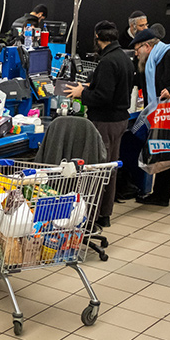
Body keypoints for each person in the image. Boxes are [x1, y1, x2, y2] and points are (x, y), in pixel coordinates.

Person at [64, 21, 134, 227]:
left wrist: (82, 93)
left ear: (97, 37)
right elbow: (115, 87)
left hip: (104, 122)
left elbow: (103, 96)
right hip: (120, 120)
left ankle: (90, 218)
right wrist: (89, 85)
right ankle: (104, 214)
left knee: (95, 169)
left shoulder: (107, 62)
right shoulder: (124, 57)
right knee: (109, 168)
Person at [129, 29, 170, 207]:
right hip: (164, 119)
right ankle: (160, 196)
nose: (136, 55)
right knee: (166, 153)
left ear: (148, 46)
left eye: (137, 50)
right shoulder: (150, 64)